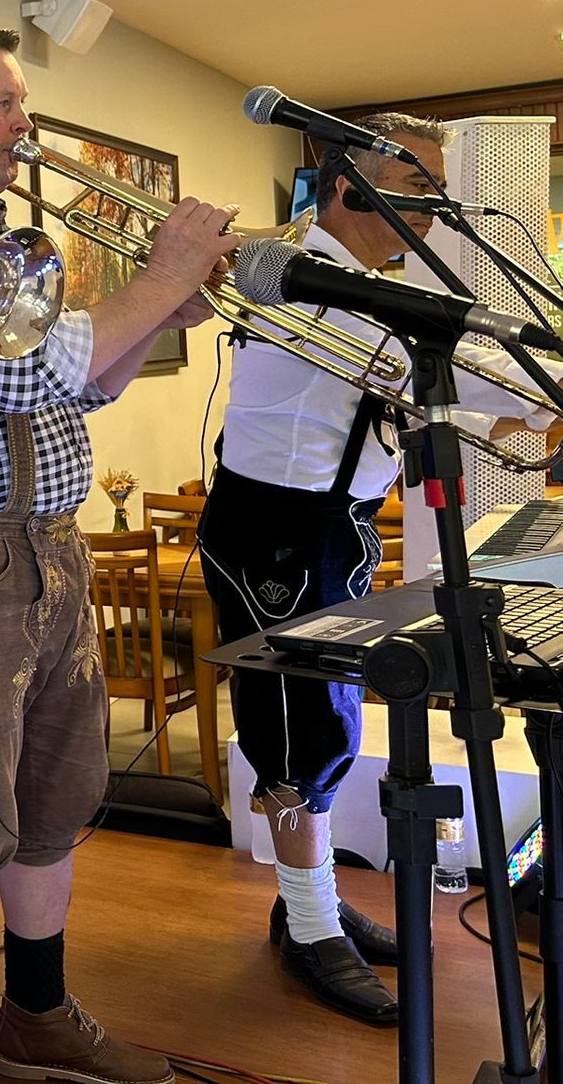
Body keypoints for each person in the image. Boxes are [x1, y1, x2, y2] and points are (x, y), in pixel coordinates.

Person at [0, 23, 235, 1084]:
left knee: (55, 797)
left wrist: (174, 304)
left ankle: (37, 1018)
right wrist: (159, 273)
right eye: (7, 102)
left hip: (49, 544)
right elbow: (17, 373)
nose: (27, 123)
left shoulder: (2, 245)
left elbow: (82, 384)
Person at [198, 112, 554, 1024]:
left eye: (436, 187)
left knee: (334, 715)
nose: (435, 205)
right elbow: (433, 366)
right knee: (300, 731)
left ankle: (305, 904)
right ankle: (312, 927)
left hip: (334, 525)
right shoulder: (304, 288)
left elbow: (442, 372)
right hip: (276, 530)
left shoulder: (366, 290)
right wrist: (532, 400)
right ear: (350, 187)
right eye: (415, 186)